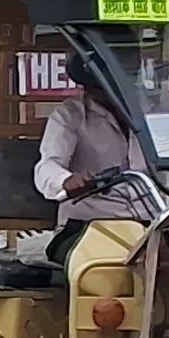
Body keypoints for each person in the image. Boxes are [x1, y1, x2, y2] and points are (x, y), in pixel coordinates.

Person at [34, 52, 147, 271]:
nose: (105, 94)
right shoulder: (70, 115)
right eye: (98, 88)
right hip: (89, 225)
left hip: (154, 222)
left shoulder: (161, 107)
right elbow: (46, 166)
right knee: (102, 274)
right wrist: (65, 180)